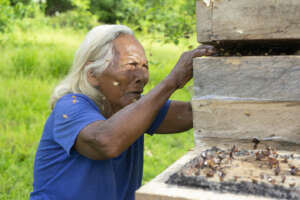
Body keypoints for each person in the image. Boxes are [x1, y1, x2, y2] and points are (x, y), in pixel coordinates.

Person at [30, 25, 215, 200]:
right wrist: (172, 82)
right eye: (131, 65)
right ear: (93, 74)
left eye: (145, 66)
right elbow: (106, 142)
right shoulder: (70, 107)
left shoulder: (133, 109)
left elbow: (198, 114)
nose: (142, 77)